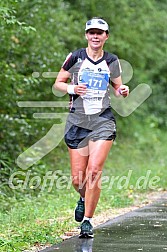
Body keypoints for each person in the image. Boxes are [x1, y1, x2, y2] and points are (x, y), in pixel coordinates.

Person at [54, 17, 129, 238]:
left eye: (100, 33)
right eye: (91, 32)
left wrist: (122, 90)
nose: (95, 36)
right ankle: (84, 197)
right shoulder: (75, 57)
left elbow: (118, 87)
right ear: (86, 35)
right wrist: (72, 88)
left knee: (94, 171)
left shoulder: (112, 60)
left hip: (102, 121)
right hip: (77, 121)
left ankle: (87, 221)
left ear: (106, 36)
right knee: (78, 179)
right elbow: (57, 84)